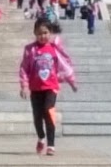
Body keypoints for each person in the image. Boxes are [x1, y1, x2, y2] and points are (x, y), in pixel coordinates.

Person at [19, 17, 78, 156]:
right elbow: (24, 69)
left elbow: (65, 65)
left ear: (50, 32)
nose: (43, 36)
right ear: (35, 33)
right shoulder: (30, 49)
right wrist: (24, 86)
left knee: (48, 110)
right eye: (39, 33)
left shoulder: (54, 49)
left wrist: (71, 81)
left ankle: (51, 145)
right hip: (35, 88)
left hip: (51, 87)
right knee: (37, 116)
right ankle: (41, 138)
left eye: (45, 33)